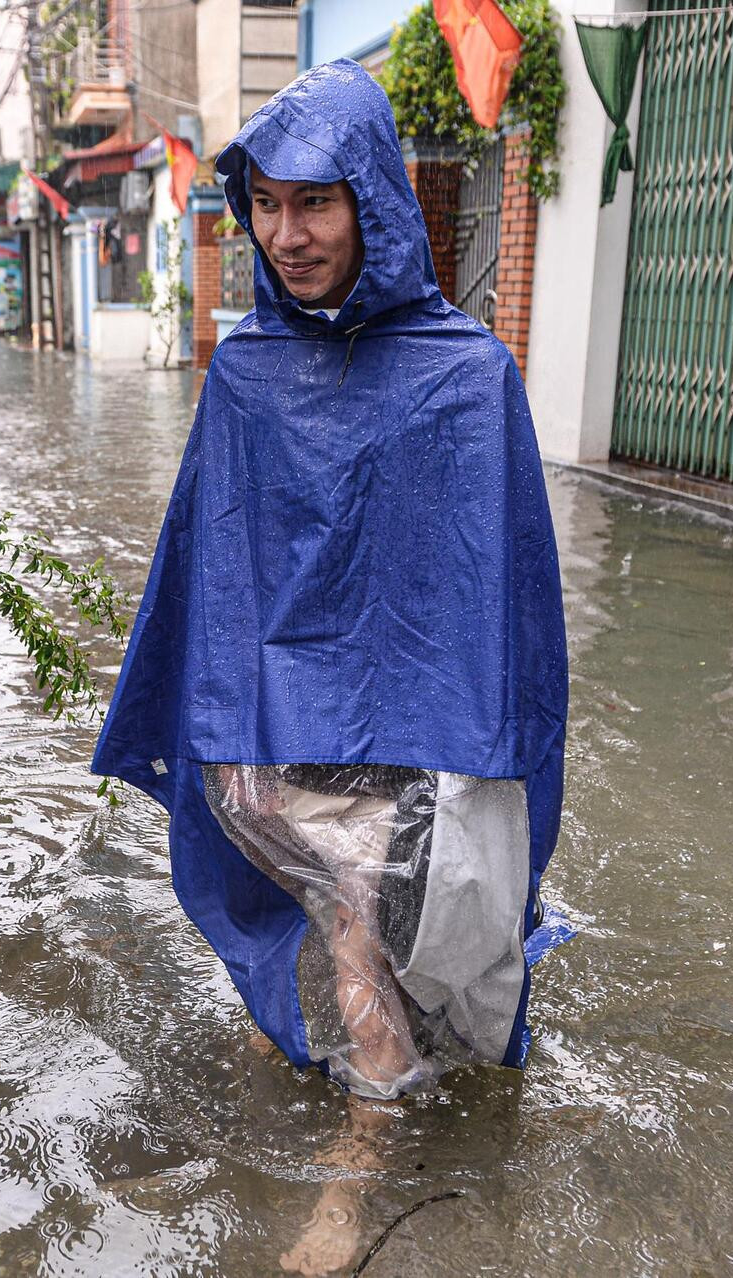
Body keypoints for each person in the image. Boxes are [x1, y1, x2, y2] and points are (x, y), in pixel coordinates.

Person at [93, 59, 569, 1113]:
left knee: (365, 901)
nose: (287, 234)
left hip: (421, 722)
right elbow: (207, 572)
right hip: (284, 712)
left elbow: (503, 604)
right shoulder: (246, 371)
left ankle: (366, 1137)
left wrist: (471, 743)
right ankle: (359, 1066)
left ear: (373, 202)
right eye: (264, 205)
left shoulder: (470, 376)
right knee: (315, 875)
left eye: (314, 202)